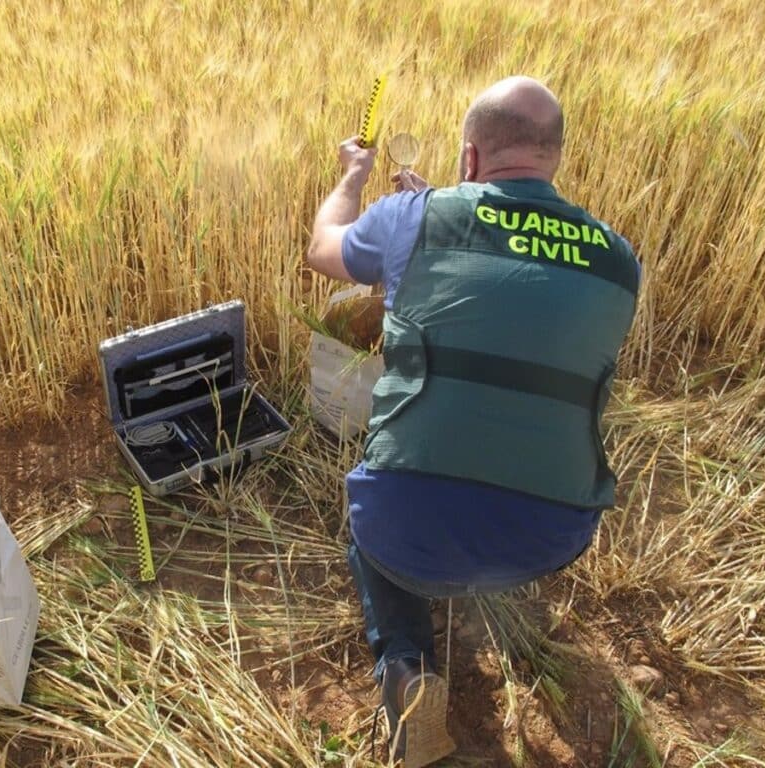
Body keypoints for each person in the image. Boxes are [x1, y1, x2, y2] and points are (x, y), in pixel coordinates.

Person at [305, 76, 640, 767]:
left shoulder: (418, 218)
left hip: (410, 529)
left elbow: (324, 248)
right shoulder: (619, 260)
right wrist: (444, 212)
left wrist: (356, 176)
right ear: (552, 155)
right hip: (552, 536)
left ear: (469, 158)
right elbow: (522, 299)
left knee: (377, 532)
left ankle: (406, 667)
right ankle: (490, 579)